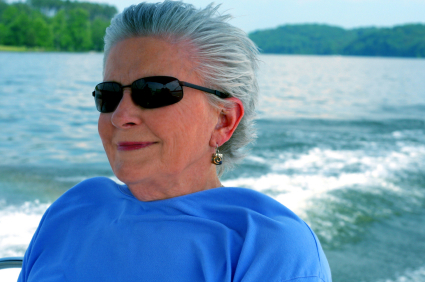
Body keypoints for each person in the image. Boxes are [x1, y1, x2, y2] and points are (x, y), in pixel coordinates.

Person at [18, 1, 331, 281]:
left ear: (223, 121)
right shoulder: (73, 208)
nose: (120, 115)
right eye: (109, 95)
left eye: (153, 91)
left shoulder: (267, 246)